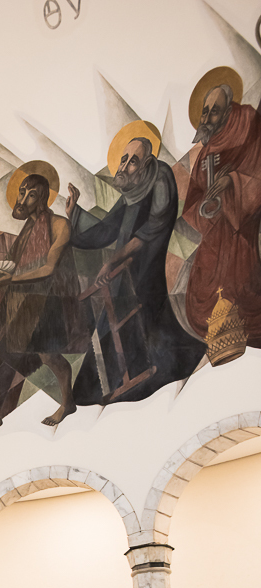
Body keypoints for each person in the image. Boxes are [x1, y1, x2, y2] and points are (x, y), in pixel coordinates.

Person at [67, 136, 203, 416]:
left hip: (147, 264)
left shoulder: (160, 176)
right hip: (124, 269)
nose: (125, 166)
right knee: (112, 320)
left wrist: (114, 260)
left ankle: (141, 378)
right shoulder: (132, 187)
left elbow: (155, 226)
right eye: (123, 159)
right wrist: (74, 215)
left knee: (143, 318)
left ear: (147, 163)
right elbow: (108, 229)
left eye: (133, 161)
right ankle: (99, 389)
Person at [0, 172, 84, 432]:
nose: (22, 199)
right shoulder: (25, 234)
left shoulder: (59, 226)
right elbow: (1, 275)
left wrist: (12, 279)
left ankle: (67, 403)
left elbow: (47, 269)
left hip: (45, 303)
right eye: (22, 191)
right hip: (19, 305)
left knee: (50, 358)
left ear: (43, 199)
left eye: (31, 194)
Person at [183, 83, 261, 347]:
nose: (206, 119)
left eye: (213, 111)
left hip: (241, 226)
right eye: (204, 112)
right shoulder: (205, 151)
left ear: (228, 111)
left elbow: (257, 174)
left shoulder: (248, 127)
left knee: (241, 285)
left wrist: (232, 182)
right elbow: (194, 196)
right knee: (201, 287)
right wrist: (205, 208)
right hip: (215, 228)